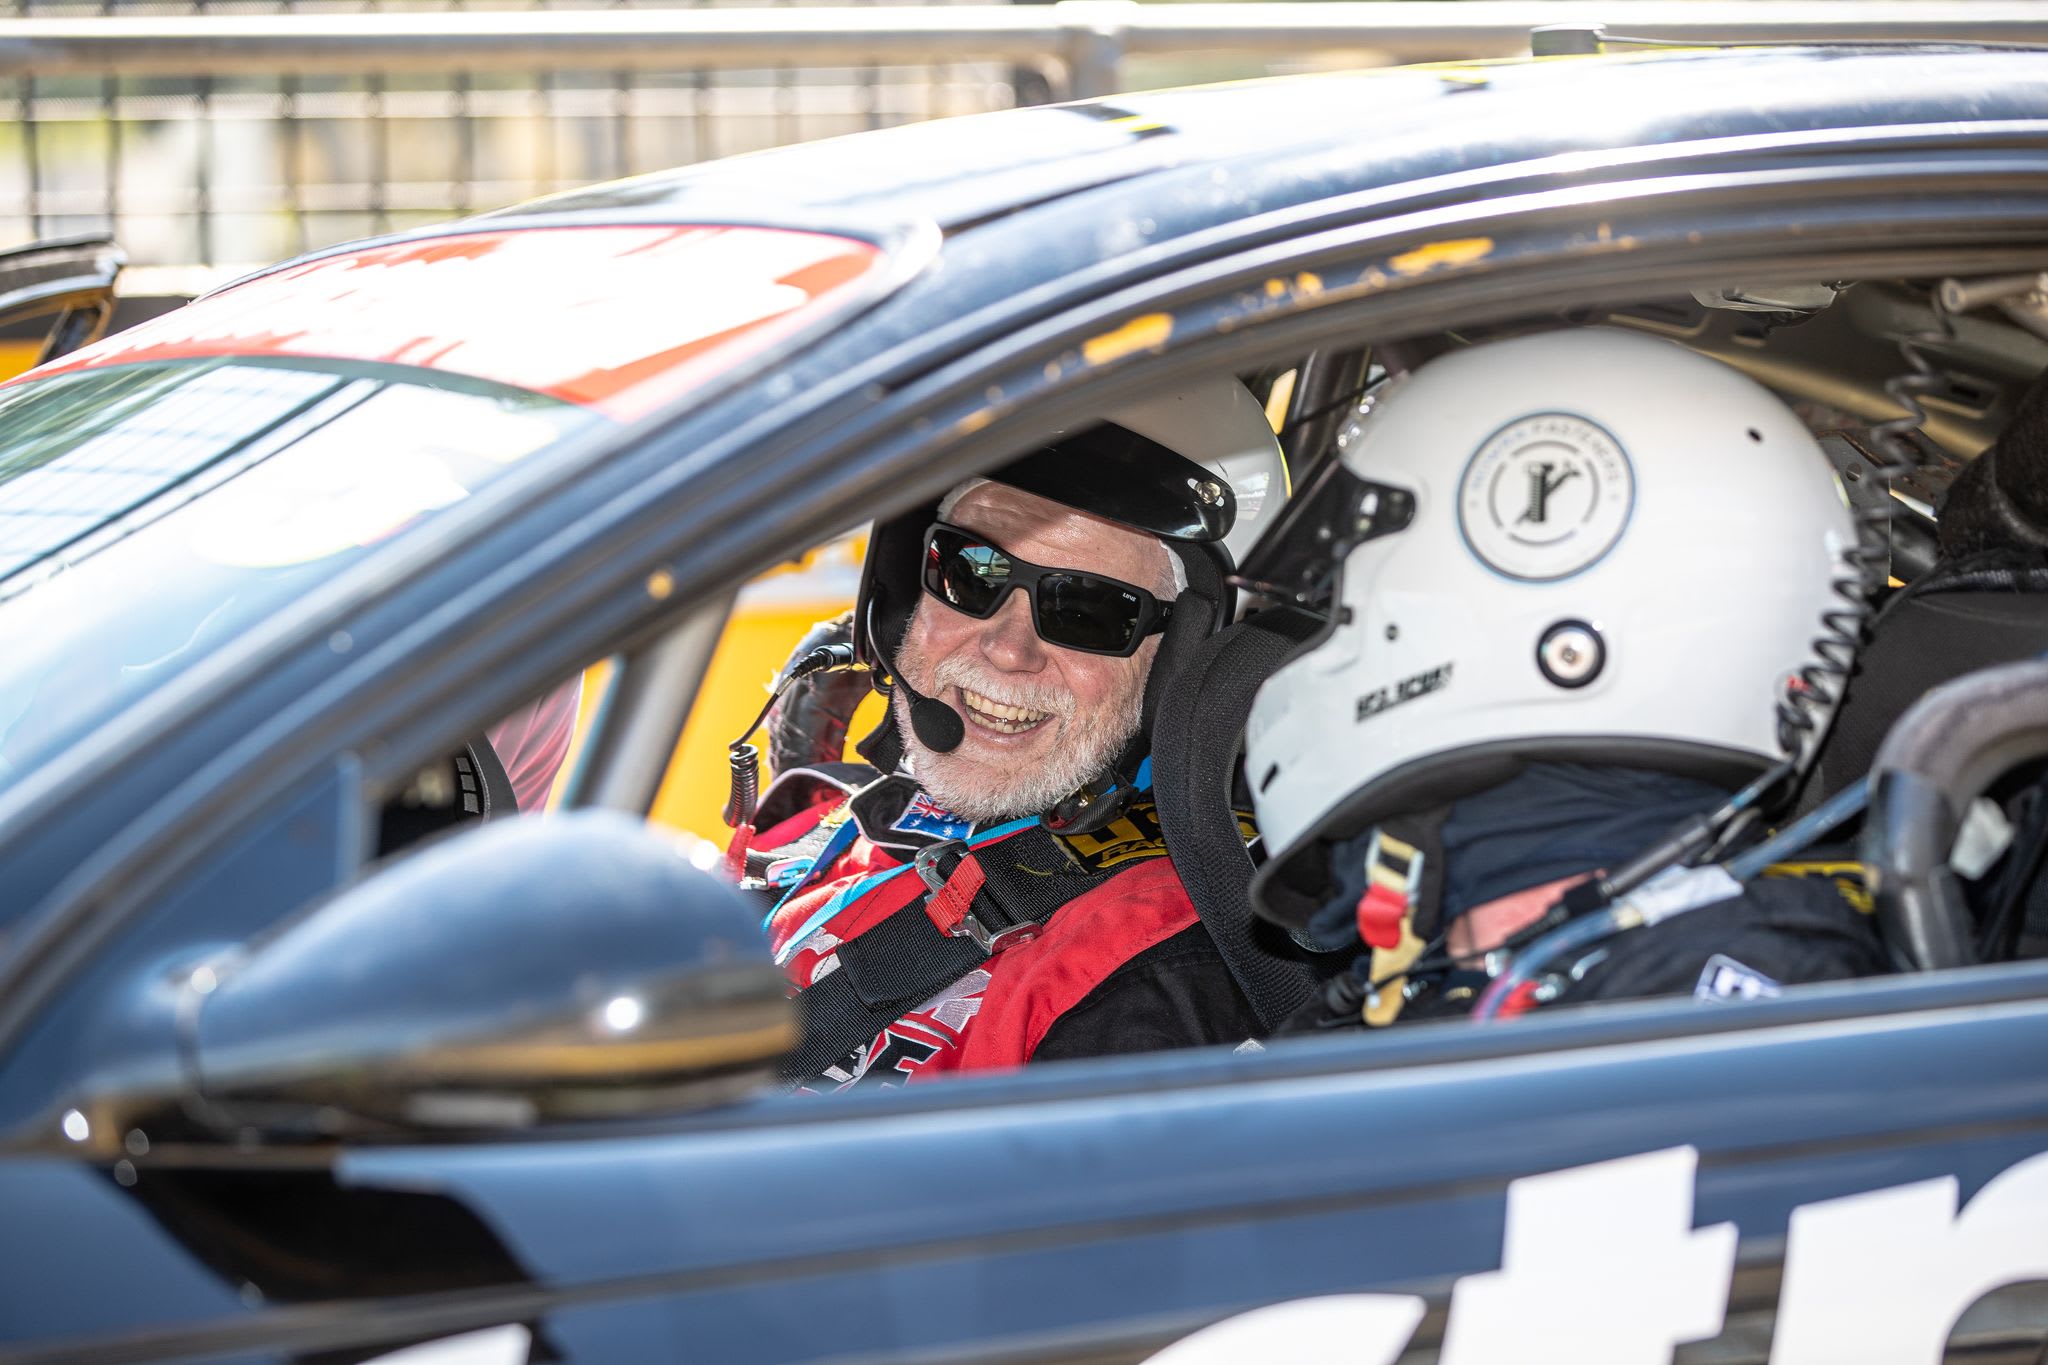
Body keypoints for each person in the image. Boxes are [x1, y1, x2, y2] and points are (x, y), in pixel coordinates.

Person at [1239, 328, 1890, 1029]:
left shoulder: (1728, 1018)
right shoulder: (1447, 989)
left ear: (1563, 639)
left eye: (1345, 598)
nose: (1325, 634)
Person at [741, 377, 1288, 1089]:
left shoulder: (1145, 978)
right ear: (906, 589)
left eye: (1088, 609)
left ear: (1181, 663)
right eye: (973, 573)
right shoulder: (833, 817)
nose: (1008, 650)